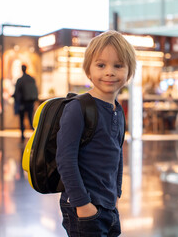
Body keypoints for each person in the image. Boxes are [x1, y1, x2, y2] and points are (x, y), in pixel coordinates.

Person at [56, 30, 136, 236]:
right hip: (83, 206)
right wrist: (83, 205)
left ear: (129, 72)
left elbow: (117, 155)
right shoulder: (77, 107)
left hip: (109, 205)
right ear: (88, 70)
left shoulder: (117, 109)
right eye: (101, 65)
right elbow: (65, 160)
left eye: (118, 66)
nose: (109, 72)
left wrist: (116, 193)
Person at [13, 64, 38, 141]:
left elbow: (16, 92)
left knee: (22, 120)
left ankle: (22, 136)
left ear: (21, 69)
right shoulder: (32, 79)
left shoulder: (20, 80)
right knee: (31, 119)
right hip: (30, 103)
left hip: (22, 103)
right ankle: (35, 136)